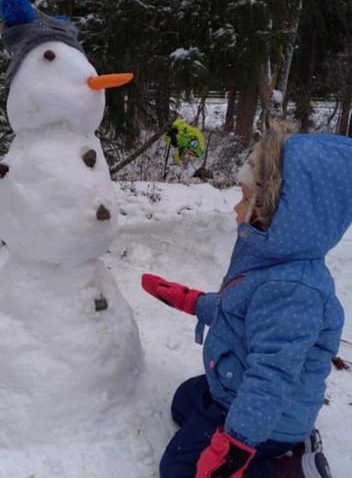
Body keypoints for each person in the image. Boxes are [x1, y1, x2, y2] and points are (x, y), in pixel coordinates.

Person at [142, 126, 352, 478]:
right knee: (182, 403)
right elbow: (239, 315)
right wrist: (190, 301)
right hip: (232, 387)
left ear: (277, 212)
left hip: (270, 418)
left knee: (180, 469)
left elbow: (269, 381)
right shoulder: (265, 252)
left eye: (245, 198)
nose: (235, 208)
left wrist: (233, 450)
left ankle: (291, 466)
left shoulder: (293, 289)